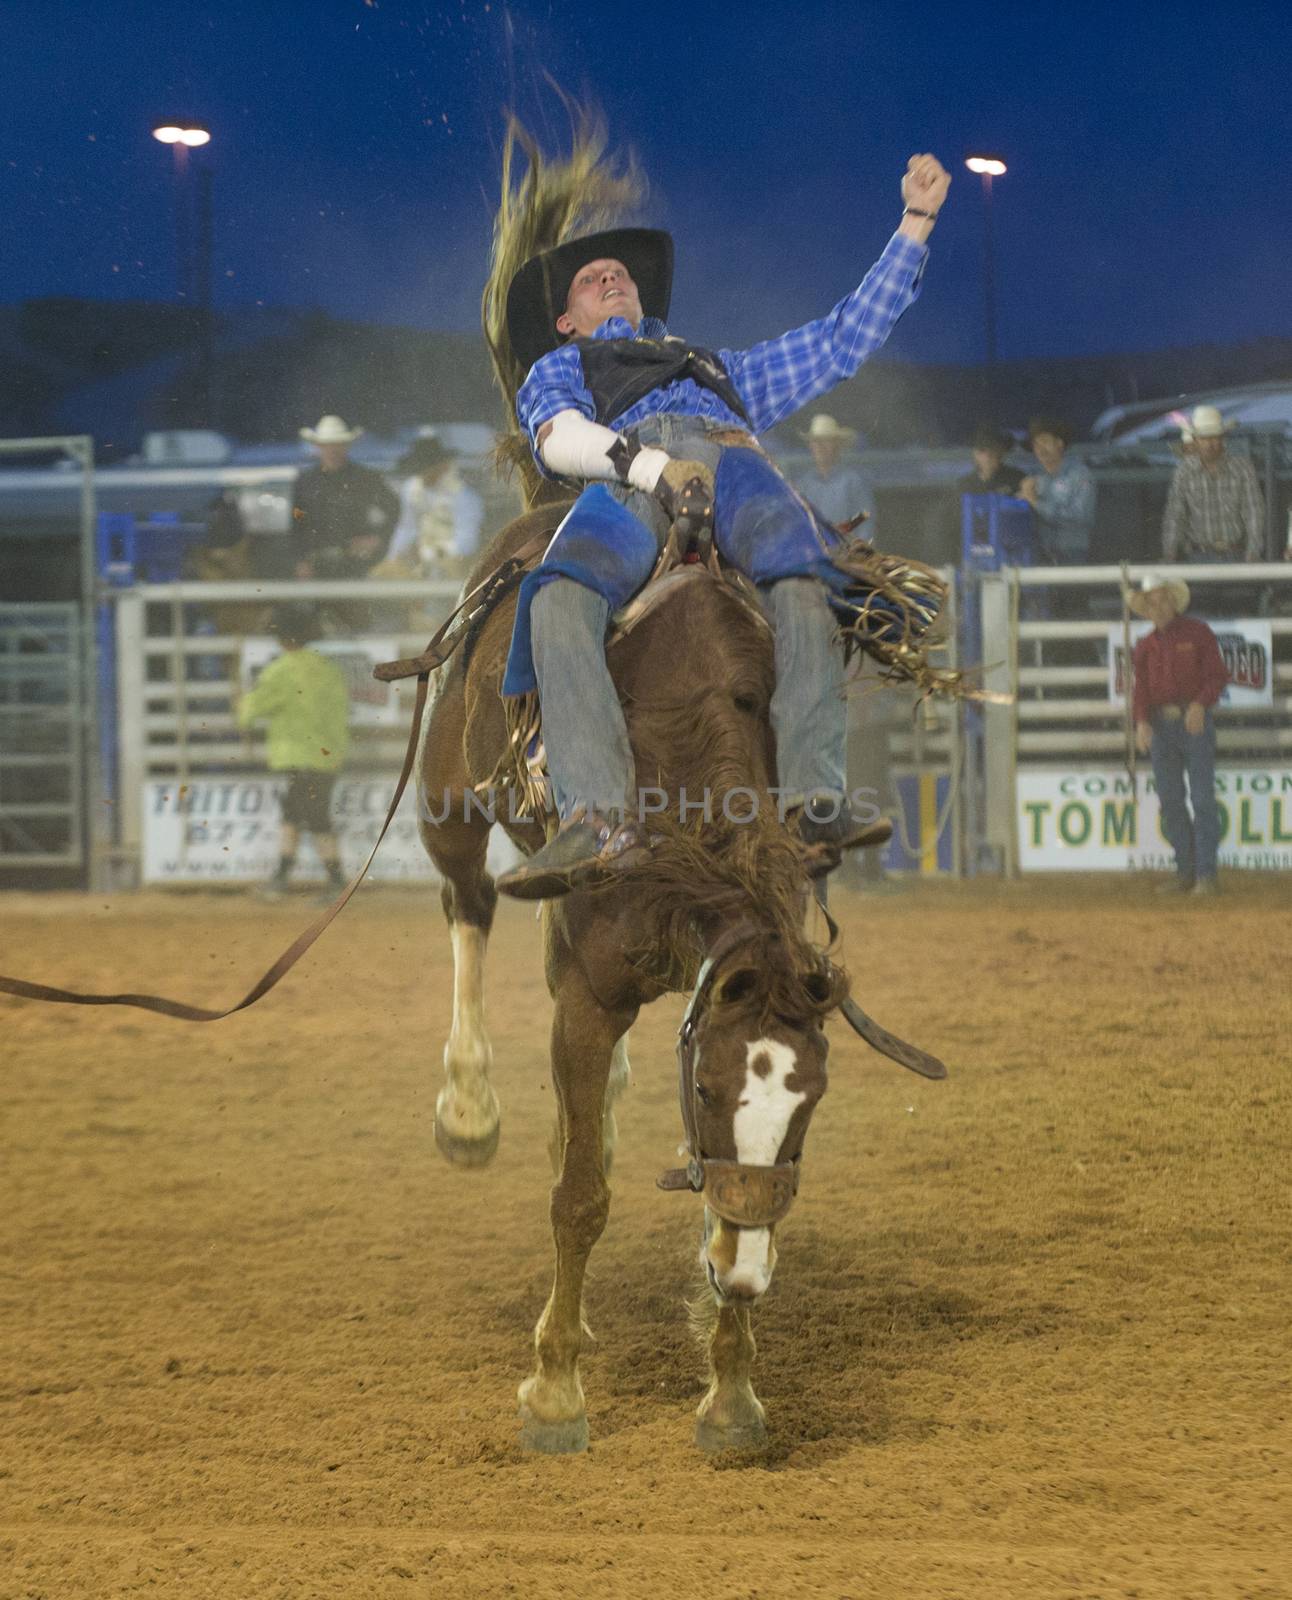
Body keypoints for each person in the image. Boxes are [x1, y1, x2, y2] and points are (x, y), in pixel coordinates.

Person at [493, 152, 952, 898]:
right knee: (558, 596)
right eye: (590, 279)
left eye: (620, 274)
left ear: (641, 298)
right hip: (629, 471)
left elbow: (839, 341)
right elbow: (556, 439)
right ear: (567, 320)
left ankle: (810, 801)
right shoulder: (561, 367)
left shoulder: (718, 370)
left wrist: (915, 223)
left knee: (802, 574)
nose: (611, 277)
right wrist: (655, 471)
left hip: (735, 465)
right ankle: (600, 819)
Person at [236, 604, 351, 900]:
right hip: (328, 755)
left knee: (311, 816)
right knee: (297, 812)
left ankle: (333, 880)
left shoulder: (279, 671)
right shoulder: (328, 669)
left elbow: (249, 713)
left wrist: (241, 702)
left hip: (298, 755)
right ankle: (282, 876)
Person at [1130, 573, 1228, 897]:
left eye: (1161, 600)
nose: (1157, 607)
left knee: (1200, 799)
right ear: (1146, 609)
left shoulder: (1198, 633)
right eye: (1151, 603)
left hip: (1192, 721)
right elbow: (1140, 690)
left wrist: (1200, 704)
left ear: (1173, 601)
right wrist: (1142, 722)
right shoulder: (1144, 646)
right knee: (1171, 801)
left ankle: (1204, 875)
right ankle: (1187, 872)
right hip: (1162, 726)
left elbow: (1216, 676)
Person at [290, 415, 400, 581]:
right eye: (327, 445)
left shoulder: (366, 478)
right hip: (315, 565)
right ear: (318, 447)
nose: (333, 450)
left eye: (338, 444)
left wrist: (378, 538)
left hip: (357, 563)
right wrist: (299, 562)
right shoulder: (304, 482)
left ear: (347, 445)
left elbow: (395, 508)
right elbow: (296, 523)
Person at [1162, 405, 1265, 564]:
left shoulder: (1242, 468)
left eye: (1215, 437)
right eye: (1204, 438)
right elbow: (1175, 516)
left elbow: (1254, 513)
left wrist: (1253, 552)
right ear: (1195, 440)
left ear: (1223, 439)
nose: (1210, 444)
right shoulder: (1184, 473)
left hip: (1236, 554)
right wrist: (1170, 553)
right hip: (1197, 556)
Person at [374, 434, 484, 577]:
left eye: (426, 468)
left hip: (451, 559)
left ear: (441, 466)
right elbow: (407, 527)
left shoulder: (464, 496)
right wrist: (394, 556)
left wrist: (427, 554)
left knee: (449, 569)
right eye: (419, 468)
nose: (421, 474)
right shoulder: (411, 488)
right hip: (419, 557)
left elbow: (467, 543)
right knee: (382, 574)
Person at [1018, 417, 1096, 563]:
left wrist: (1035, 502)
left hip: (1072, 554)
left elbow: (1080, 517)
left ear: (1059, 443)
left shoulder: (1079, 474)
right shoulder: (1033, 477)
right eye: (1036, 444)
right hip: (1039, 555)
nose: (1040, 449)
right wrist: (1021, 500)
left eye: (1045, 442)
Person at [793, 414, 877, 534]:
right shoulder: (803, 485)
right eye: (816, 441)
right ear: (811, 446)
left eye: (826, 441)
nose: (820, 447)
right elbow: (799, 525)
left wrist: (854, 549)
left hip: (846, 549)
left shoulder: (853, 482)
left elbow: (864, 519)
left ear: (837, 445)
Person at [958, 423, 1024, 496]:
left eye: (993, 449)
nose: (987, 455)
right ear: (975, 454)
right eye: (982, 450)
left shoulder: (1017, 479)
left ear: (1001, 452)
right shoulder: (963, 485)